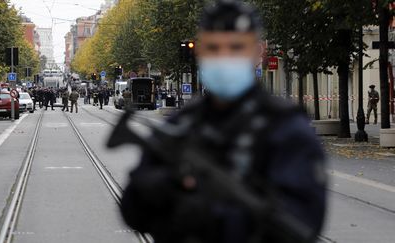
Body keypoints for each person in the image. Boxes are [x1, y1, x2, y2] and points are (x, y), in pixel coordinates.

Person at [120, 1, 327, 243]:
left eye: (236, 47)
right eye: (214, 47)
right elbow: (132, 210)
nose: (224, 56)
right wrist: (163, 186)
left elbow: (302, 221)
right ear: (199, 51)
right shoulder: (184, 122)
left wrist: (211, 216)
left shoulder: (285, 128)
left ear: (257, 52)